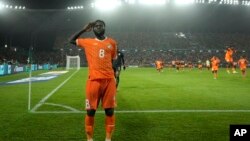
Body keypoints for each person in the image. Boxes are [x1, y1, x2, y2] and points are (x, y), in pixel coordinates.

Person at [69, 20, 117, 141]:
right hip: (93, 81)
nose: (98, 27)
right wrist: (84, 30)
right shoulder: (88, 42)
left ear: (105, 27)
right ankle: (89, 139)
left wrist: (115, 75)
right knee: (90, 111)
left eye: (101, 25)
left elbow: (112, 60)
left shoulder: (112, 43)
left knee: (110, 111)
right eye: (96, 26)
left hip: (109, 81)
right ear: (93, 29)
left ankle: (108, 138)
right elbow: (71, 40)